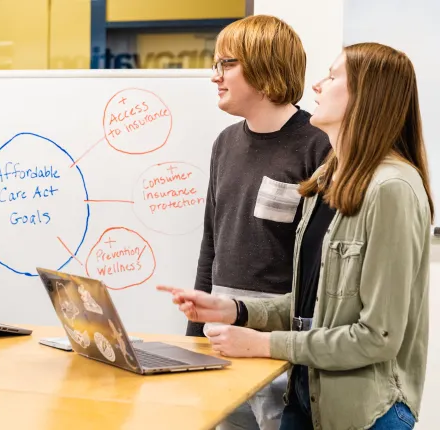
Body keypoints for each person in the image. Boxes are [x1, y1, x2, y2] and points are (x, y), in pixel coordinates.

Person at [160, 42, 431, 430]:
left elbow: (377, 337)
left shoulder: (392, 188)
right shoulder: (325, 180)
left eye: (333, 76)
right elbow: (313, 307)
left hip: (366, 413)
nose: (317, 86)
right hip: (307, 397)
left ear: (368, 97)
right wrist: (237, 310)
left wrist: (263, 345)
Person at [189, 14, 330, 430]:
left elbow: (321, 262)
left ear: (266, 70)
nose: (216, 76)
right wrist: (194, 335)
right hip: (219, 330)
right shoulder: (225, 143)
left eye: (226, 64)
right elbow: (210, 243)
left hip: (279, 339)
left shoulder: (319, 144)